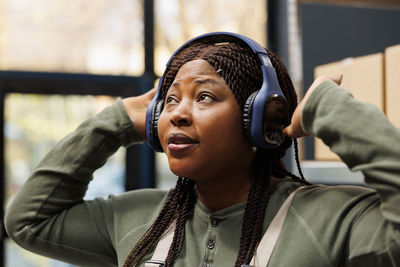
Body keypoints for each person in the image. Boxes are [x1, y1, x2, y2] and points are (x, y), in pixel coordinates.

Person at [4, 32, 400, 267]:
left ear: (258, 118)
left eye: (205, 96)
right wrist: (117, 121)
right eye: (170, 101)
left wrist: (334, 113)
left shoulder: (335, 219)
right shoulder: (138, 218)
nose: (177, 114)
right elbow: (28, 222)